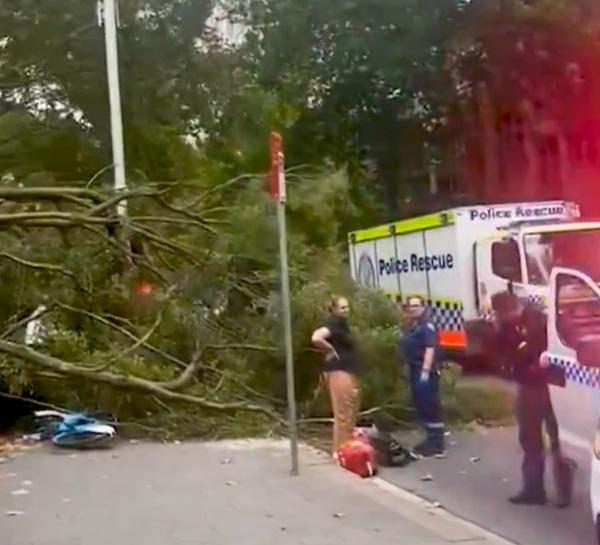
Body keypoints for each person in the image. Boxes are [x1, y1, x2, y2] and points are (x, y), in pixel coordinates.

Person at [491, 291, 573, 508]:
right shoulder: (504, 329)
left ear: (511, 309)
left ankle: (564, 491)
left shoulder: (539, 320)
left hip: (552, 386)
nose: (500, 319)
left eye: (502, 315)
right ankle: (533, 490)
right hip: (527, 386)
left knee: (559, 439)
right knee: (529, 439)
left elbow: (556, 349)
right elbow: (503, 355)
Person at [311, 296, 361, 458]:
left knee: (349, 411)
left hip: (346, 370)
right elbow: (317, 337)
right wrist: (330, 350)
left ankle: (346, 449)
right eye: (342, 308)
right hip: (340, 371)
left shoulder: (342, 324)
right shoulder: (334, 322)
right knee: (343, 414)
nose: (346, 311)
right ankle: (340, 452)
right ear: (334, 309)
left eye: (347, 307)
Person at [397, 295, 445, 457]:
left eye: (417, 306)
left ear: (423, 307)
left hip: (426, 372)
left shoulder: (427, 326)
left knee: (429, 405)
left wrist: (425, 372)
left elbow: (429, 349)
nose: (413, 309)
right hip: (414, 370)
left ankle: (437, 442)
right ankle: (430, 438)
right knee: (421, 406)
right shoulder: (413, 325)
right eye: (411, 306)